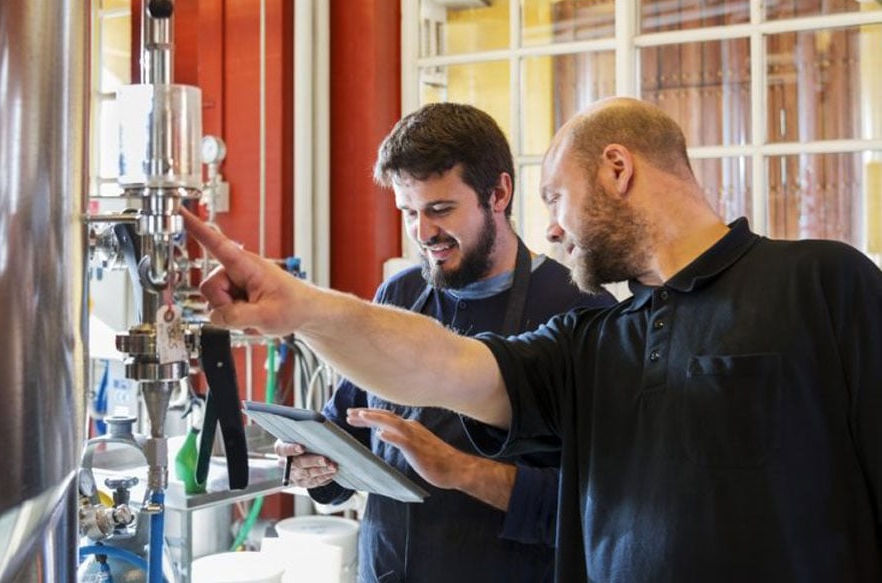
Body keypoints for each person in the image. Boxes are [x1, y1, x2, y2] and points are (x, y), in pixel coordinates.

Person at [182, 97, 882, 582]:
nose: (549, 227)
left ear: (617, 168)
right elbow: (446, 364)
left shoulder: (823, 283)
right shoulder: (592, 340)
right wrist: (301, 308)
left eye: (555, 197)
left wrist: (458, 470)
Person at [274, 102, 615, 583]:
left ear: (498, 192)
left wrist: (460, 469)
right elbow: (348, 424)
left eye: (440, 209)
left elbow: (600, 509)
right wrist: (317, 466)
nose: (422, 232)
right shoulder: (398, 294)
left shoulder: (581, 311)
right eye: (408, 212)